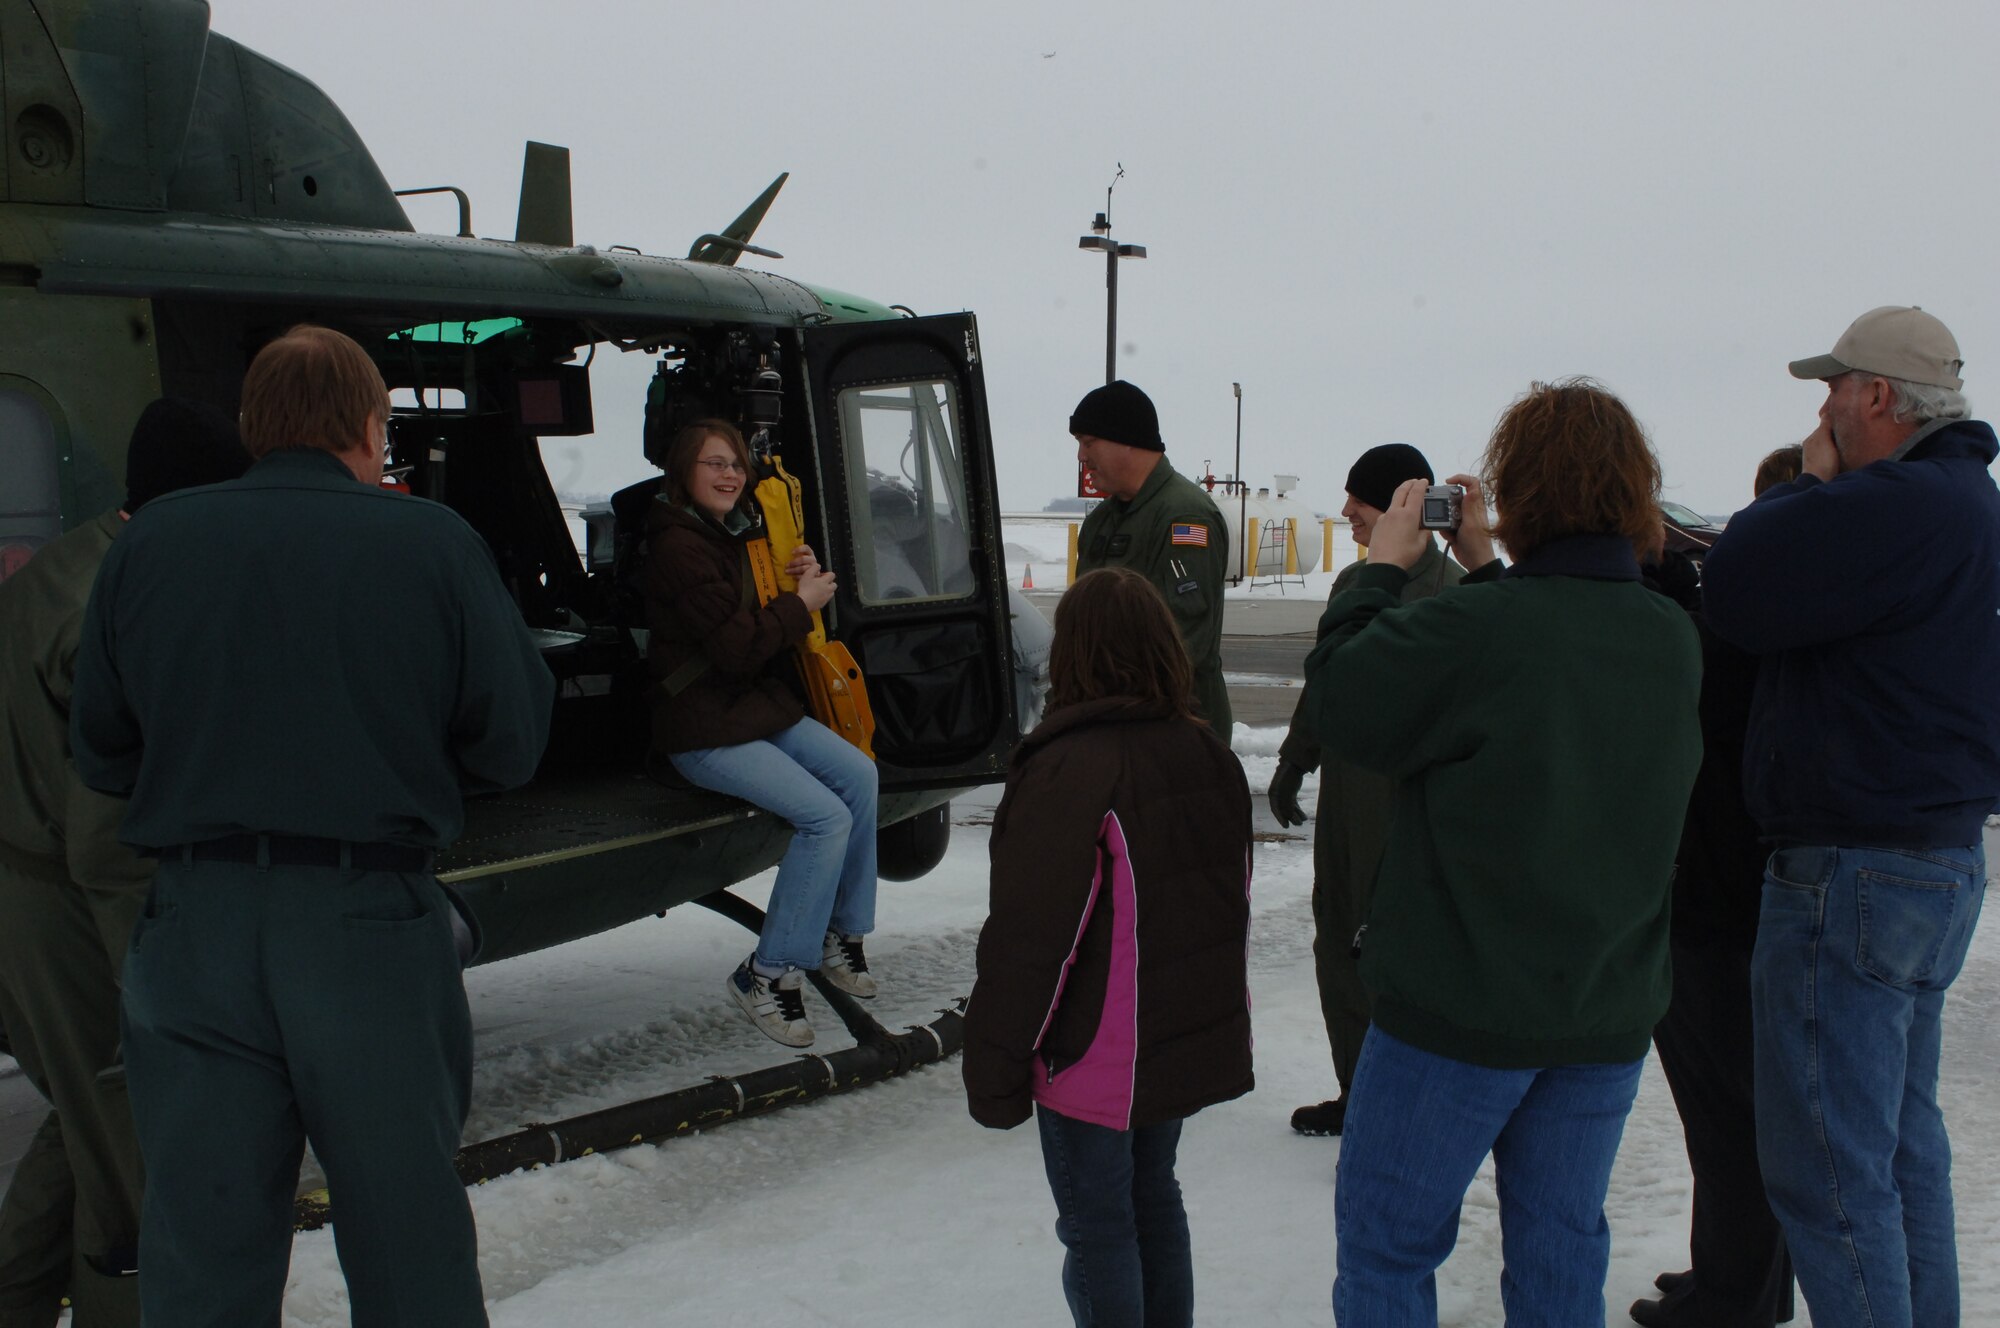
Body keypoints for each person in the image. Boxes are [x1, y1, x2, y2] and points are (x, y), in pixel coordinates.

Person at [69, 325, 554, 1328]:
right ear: (371, 427)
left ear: (254, 426)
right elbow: (511, 741)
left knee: (203, 1242)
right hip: (364, 920)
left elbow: (102, 750)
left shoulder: (152, 539)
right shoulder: (430, 541)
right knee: (404, 1228)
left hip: (193, 929)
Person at [1303, 379, 1701, 1327]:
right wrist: (1486, 564)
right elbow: (1547, 655)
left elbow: (1349, 701)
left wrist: (1377, 571)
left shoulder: (1478, 631)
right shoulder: (1671, 637)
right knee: (1561, 1251)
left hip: (1456, 1015)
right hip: (1599, 1016)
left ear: (1520, 495)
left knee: (1389, 1248)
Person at [1701, 305, 2000, 1328]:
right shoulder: (1966, 501)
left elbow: (1735, 583)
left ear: (1878, 396)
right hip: (1928, 858)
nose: (1820, 409)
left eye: (1832, 388)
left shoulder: (1894, 501)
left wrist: (1814, 476)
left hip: (1852, 871)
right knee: (1897, 1149)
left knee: (1826, 1170)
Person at [0, 400, 249, 1328]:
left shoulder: (73, 563)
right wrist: (160, 978)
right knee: (133, 1161)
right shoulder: (132, 598)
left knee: (80, 1124)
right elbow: (110, 840)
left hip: (29, 888)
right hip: (74, 908)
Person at [964, 566, 1252, 1328]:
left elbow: (1032, 941)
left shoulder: (1069, 767)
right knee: (1154, 1197)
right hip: (1170, 1038)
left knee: (1098, 1225)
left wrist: (993, 1067)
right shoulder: (1207, 753)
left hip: (1092, 1053)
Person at [1629, 452, 1803, 1328]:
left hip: (1722, 897)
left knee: (1729, 1111)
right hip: (1729, 889)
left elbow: (1693, 664)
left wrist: (1650, 568)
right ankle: (1737, 1279)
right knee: (1727, 1112)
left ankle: (1739, 1293)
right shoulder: (1770, 618)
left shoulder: (1755, 629)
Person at [641, 419, 880, 1048]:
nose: (730, 475)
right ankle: (768, 975)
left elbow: (759, 613)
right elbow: (736, 647)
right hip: (702, 728)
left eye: (736, 465)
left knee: (860, 773)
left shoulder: (726, 535)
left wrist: (792, 572)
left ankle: (840, 932)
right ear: (685, 472)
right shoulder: (677, 547)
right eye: (714, 463)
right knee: (825, 818)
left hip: (745, 709)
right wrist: (802, 602)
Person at [1268, 442, 1463, 1139]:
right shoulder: (1356, 584)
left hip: (1405, 807)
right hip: (1348, 802)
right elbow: (1330, 677)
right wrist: (1297, 756)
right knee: (1336, 940)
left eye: (1361, 499)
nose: (1346, 511)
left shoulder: (1452, 593)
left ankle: (1404, 1104)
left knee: (1390, 951)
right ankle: (1359, 1091)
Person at [1071, 381, 1233, 734]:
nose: (1082, 457)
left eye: (1088, 443)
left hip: (1174, 726)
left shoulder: (1185, 517)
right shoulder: (1100, 523)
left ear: (1125, 440)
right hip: (1109, 720)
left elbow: (1184, 638)